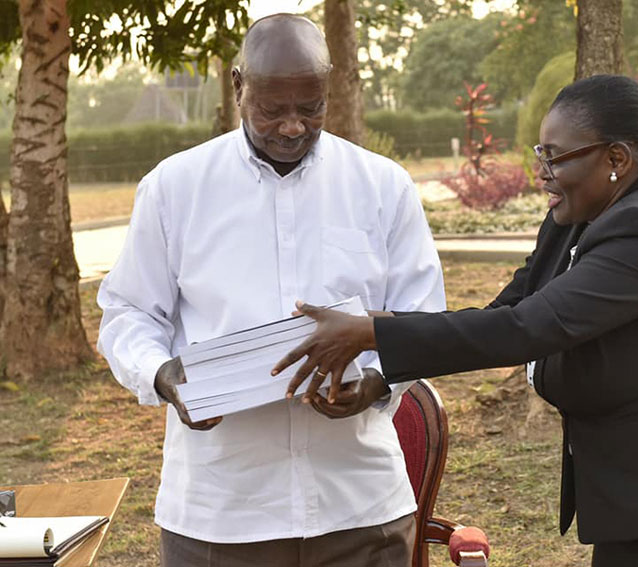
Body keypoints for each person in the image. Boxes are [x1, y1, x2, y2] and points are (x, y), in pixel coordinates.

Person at [274, 75, 638, 567]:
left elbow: (529, 328)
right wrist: (378, 375)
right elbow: (503, 313)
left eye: (555, 158)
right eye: (540, 154)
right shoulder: (571, 221)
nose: (542, 173)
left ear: (616, 158)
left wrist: (370, 330)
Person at [97, 13, 445, 567]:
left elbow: (426, 319)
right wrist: (165, 378)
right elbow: (129, 314)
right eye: (272, 109)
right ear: (238, 86)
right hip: (222, 511)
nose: (292, 127)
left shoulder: (382, 187)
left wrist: (378, 383)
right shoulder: (174, 188)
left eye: (311, 108)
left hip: (360, 507)